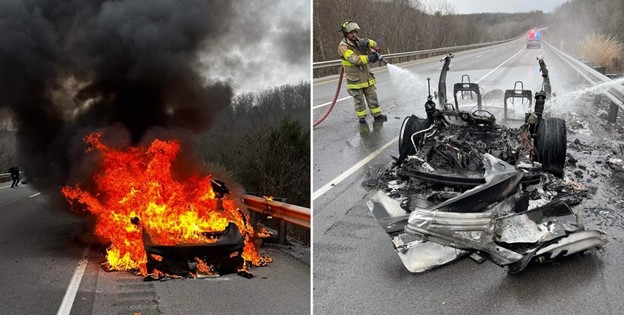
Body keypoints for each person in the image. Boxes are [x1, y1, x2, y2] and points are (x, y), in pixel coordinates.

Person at [338, 20, 388, 124]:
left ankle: (377, 116)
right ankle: (362, 119)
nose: (353, 34)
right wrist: (369, 58)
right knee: (359, 101)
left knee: (373, 97)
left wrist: (369, 42)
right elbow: (354, 59)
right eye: (351, 33)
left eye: (355, 32)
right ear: (345, 34)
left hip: (367, 77)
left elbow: (374, 44)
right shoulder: (343, 46)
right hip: (355, 79)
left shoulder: (359, 41)